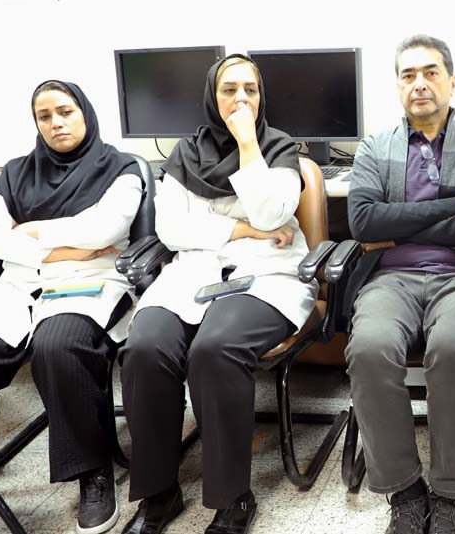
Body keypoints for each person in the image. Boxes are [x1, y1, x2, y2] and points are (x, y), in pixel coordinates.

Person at [119, 54, 315, 534]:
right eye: (229, 89)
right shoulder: (185, 154)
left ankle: (232, 497)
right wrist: (243, 228)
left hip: (266, 275)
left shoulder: (279, 148)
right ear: (212, 96)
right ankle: (159, 493)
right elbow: (171, 229)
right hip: (192, 274)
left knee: (215, 348)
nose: (241, 99)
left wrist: (248, 145)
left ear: (262, 96)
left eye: (250, 89)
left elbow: (272, 215)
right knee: (144, 347)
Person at [0, 80, 141, 534]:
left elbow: (103, 231)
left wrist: (31, 231)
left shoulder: (121, 168)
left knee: (58, 346)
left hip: (89, 281)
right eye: (45, 116)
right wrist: (67, 246)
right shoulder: (16, 172)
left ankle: (92, 471)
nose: (56, 122)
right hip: (20, 285)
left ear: (85, 113)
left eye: (65, 112)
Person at [344, 35, 455, 534]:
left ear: (452, 82)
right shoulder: (375, 147)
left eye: (430, 72)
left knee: (454, 347)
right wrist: (454, 207)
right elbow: (362, 222)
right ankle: (405, 491)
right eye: (408, 74)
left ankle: (451, 494)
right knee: (369, 349)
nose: (419, 83)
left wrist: (396, 225)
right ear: (398, 86)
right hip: (390, 279)